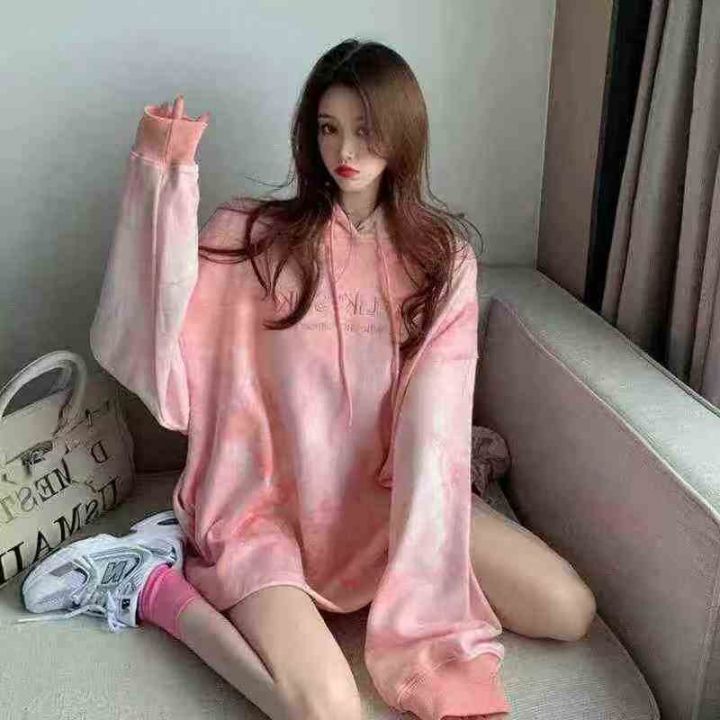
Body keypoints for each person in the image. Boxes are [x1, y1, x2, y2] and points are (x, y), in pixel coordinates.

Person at [18, 38, 513, 720]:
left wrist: (431, 533)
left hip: (384, 501)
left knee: (568, 609)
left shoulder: (440, 260)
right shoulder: (255, 238)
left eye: (366, 129)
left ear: (403, 133)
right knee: (328, 710)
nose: (346, 150)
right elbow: (154, 326)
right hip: (263, 510)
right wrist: (162, 174)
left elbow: (437, 418)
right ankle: (155, 586)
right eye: (329, 128)